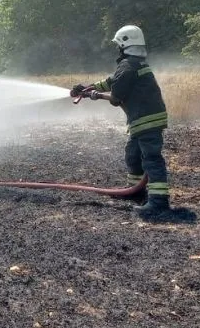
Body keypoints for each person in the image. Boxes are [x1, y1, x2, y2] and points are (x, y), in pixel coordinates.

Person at [70, 25, 175, 221]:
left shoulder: (128, 66)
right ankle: (136, 192)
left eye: (118, 45)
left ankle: (159, 201)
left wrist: (95, 95)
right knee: (133, 155)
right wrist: (88, 87)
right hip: (142, 120)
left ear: (125, 44)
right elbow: (113, 80)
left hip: (146, 120)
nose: (117, 49)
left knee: (151, 159)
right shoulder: (133, 65)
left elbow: (116, 97)